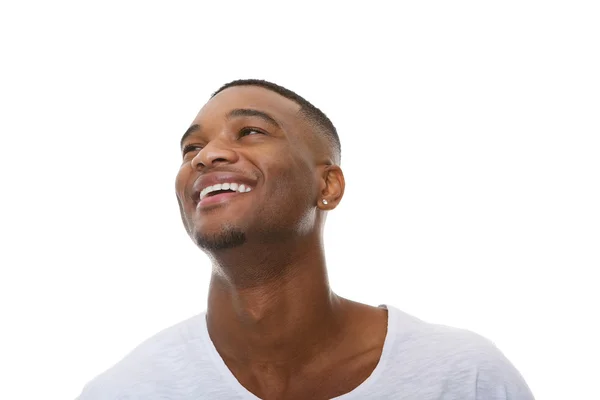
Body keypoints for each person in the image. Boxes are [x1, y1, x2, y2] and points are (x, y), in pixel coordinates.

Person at [76, 79, 534, 399]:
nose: (206, 155)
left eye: (251, 131)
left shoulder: (464, 378)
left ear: (328, 186)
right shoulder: (124, 391)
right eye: (191, 149)